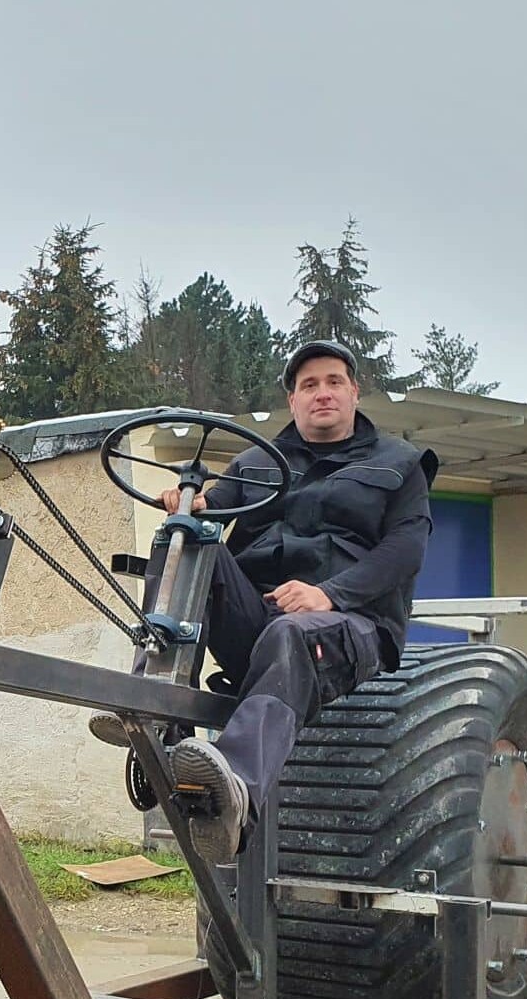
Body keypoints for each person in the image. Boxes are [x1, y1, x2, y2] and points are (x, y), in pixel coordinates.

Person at [94, 339, 437, 865]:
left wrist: (328, 594)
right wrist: (192, 503)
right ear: (293, 401)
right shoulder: (256, 463)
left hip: (352, 626)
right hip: (258, 621)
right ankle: (154, 699)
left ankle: (237, 791)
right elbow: (216, 505)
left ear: (354, 392)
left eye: (333, 382)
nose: (322, 393)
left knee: (289, 634)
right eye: (308, 386)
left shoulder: (400, 463)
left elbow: (404, 551)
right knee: (183, 536)